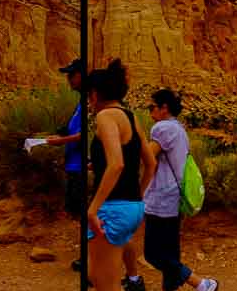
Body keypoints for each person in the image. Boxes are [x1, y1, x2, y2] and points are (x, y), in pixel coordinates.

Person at [140, 88, 217, 291]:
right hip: (175, 196)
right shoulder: (178, 128)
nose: (150, 112)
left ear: (164, 108)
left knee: (153, 254)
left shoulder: (163, 128)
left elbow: (147, 156)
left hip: (161, 198)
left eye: (152, 107)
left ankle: (200, 283)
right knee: (170, 251)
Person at [83, 60, 146, 291]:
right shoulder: (130, 117)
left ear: (95, 94)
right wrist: (137, 194)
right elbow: (149, 163)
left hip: (111, 208)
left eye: (88, 94)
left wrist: (92, 208)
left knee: (105, 285)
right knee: (95, 275)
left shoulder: (105, 116)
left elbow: (117, 164)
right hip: (132, 206)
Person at [44, 58, 91, 273]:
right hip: (74, 165)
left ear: (81, 75)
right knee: (79, 212)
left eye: (71, 74)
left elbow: (84, 134)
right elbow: (75, 130)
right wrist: (61, 133)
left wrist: (59, 141)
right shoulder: (82, 101)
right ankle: (88, 255)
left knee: (85, 213)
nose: (68, 79)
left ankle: (91, 258)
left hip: (81, 167)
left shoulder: (90, 100)